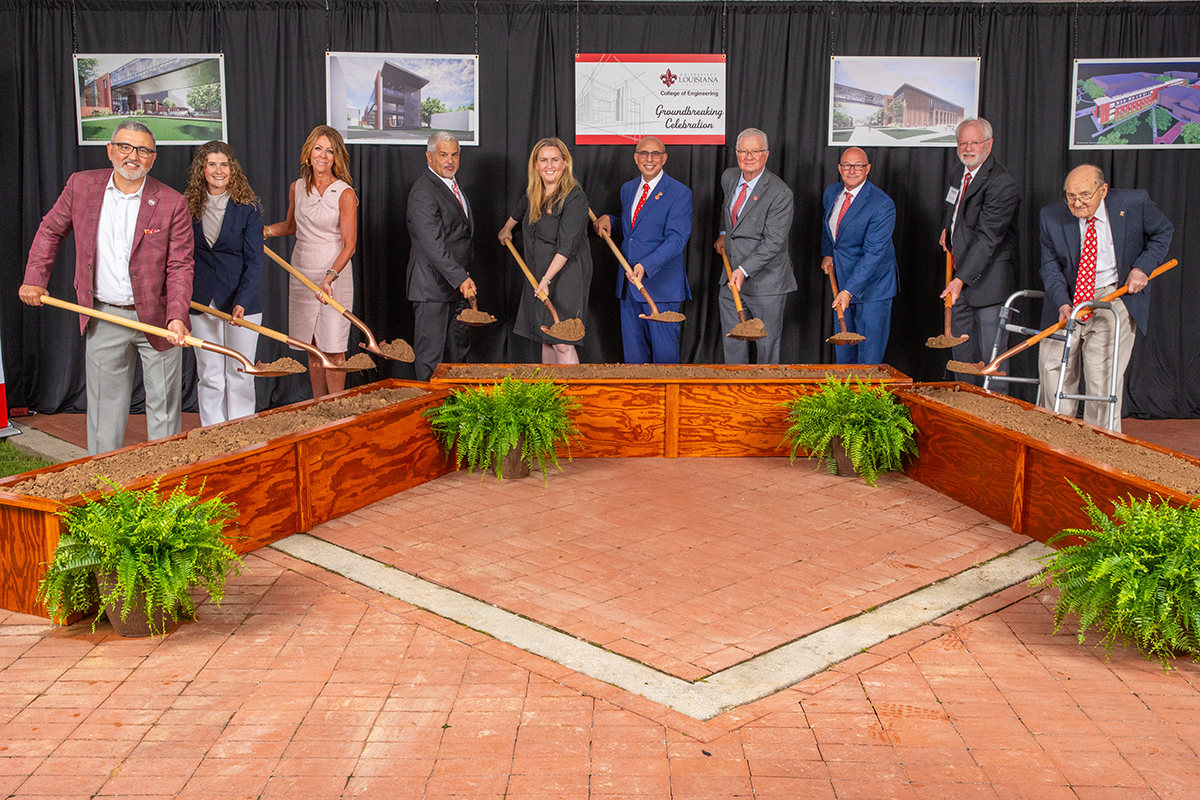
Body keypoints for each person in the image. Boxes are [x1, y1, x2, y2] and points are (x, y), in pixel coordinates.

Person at [19, 120, 193, 456]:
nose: (133, 156)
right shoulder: (82, 186)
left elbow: (180, 265)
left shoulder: (172, 202)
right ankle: (103, 485)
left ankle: (167, 484)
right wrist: (34, 279)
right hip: (103, 314)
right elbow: (51, 230)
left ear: (153, 158)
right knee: (104, 412)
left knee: (165, 407)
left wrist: (177, 316)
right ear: (110, 150)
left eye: (143, 150)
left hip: (158, 318)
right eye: (126, 147)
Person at [1037, 165, 1173, 432]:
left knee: (1102, 376)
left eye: (1085, 195)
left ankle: (1098, 445)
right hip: (1068, 294)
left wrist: (1141, 268)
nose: (1077, 203)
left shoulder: (1134, 203)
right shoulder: (1051, 215)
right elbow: (1050, 266)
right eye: (1071, 196)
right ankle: (1053, 440)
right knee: (1053, 369)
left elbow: (1162, 232)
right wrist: (1063, 303)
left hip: (1112, 294)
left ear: (1103, 190)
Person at [265, 125, 357, 398]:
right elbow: (290, 225)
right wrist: (265, 231)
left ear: (336, 158)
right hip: (302, 270)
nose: (323, 155)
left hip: (333, 273)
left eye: (330, 151)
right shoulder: (297, 188)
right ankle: (319, 405)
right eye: (318, 148)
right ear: (309, 153)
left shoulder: (345, 193)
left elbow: (349, 245)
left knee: (334, 343)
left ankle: (336, 406)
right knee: (313, 344)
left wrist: (329, 277)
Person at [592, 136, 692, 364]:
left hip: (661, 287)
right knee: (634, 359)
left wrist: (646, 266)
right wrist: (612, 220)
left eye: (655, 154)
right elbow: (634, 229)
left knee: (665, 360)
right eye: (644, 154)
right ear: (636, 158)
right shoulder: (628, 189)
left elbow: (677, 239)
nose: (649, 159)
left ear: (664, 158)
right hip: (629, 286)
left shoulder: (679, 192)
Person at [185, 141, 264, 425]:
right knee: (210, 373)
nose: (219, 170)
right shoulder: (187, 206)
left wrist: (241, 301)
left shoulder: (248, 208)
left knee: (241, 372)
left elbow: (255, 261)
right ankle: (213, 435)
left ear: (233, 169)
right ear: (202, 170)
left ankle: (241, 433)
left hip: (242, 303)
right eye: (212, 164)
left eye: (224, 164)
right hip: (200, 302)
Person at [938, 117, 1020, 386]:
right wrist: (945, 230)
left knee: (991, 359)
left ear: (989, 144)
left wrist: (959, 280)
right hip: (959, 275)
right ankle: (965, 410)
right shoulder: (957, 172)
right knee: (962, 355)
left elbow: (988, 238)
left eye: (975, 142)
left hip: (988, 282)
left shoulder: (1002, 183)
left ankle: (994, 418)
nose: (968, 148)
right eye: (963, 142)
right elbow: (953, 208)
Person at [498, 137, 592, 365]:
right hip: (539, 272)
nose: (549, 166)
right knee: (546, 337)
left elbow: (566, 247)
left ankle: (572, 397)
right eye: (543, 160)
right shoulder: (533, 193)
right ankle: (549, 398)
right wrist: (506, 229)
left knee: (562, 341)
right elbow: (518, 212)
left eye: (555, 160)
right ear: (536, 165)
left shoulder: (575, 197)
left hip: (566, 274)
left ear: (564, 163)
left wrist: (547, 280)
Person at [713, 127, 795, 364]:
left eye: (755, 151)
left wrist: (743, 270)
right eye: (743, 151)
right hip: (730, 278)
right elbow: (726, 208)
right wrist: (723, 233)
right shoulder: (729, 177)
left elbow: (774, 242)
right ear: (736, 153)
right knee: (733, 342)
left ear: (766, 155)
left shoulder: (780, 193)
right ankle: (736, 394)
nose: (748, 157)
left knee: (766, 346)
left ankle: (763, 396)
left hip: (766, 283)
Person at [406, 132, 476, 381]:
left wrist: (461, 280)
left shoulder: (453, 185)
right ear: (429, 156)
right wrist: (461, 278)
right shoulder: (423, 192)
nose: (450, 160)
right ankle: (428, 416)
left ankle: (456, 414)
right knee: (430, 360)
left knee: (458, 355)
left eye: (455, 154)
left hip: (456, 288)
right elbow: (433, 244)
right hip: (432, 289)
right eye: (443, 154)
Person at [819, 147, 898, 364]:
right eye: (846, 165)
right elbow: (829, 227)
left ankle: (867, 397)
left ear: (867, 169)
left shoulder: (881, 204)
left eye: (858, 166)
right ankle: (845, 397)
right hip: (842, 281)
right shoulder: (832, 192)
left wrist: (849, 291)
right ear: (839, 167)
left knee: (868, 357)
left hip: (873, 288)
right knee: (844, 353)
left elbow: (874, 254)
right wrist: (828, 253)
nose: (852, 170)